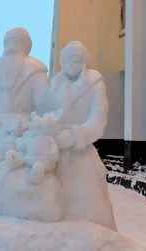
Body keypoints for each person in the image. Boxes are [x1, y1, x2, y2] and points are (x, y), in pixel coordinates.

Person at [0, 27, 51, 200]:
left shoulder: (37, 73)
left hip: (22, 138)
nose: (12, 46)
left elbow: (46, 109)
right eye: (9, 42)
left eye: (17, 42)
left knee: (15, 189)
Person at [47, 41, 117, 231]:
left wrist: (77, 135)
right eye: (68, 59)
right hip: (57, 149)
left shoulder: (94, 82)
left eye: (77, 59)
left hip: (81, 150)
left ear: (85, 61)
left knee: (88, 202)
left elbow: (98, 119)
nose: (72, 63)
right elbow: (46, 111)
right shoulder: (55, 84)